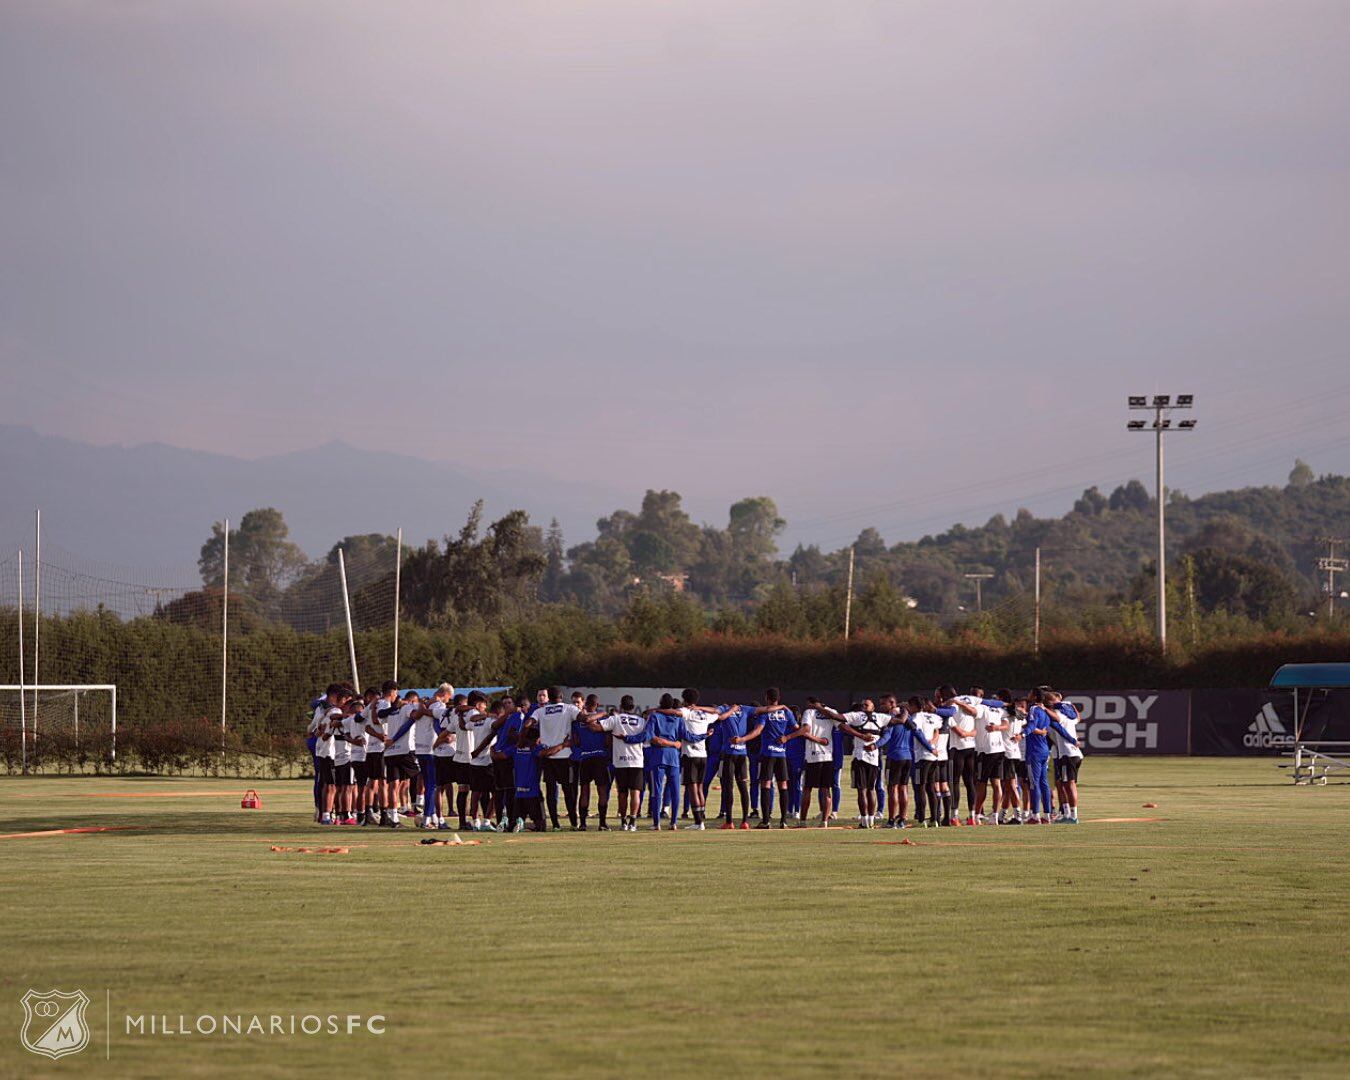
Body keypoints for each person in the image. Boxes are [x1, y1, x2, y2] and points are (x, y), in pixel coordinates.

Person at [820, 701, 885, 829]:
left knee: (865, 789)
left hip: (863, 757)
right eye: (862, 705)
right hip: (870, 757)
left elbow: (840, 720)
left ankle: (867, 820)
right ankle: (868, 821)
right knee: (868, 789)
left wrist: (821, 707)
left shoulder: (860, 719)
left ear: (873, 707)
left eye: (866, 705)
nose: (863, 707)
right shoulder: (879, 719)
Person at [589, 696, 649, 832]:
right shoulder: (641, 721)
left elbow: (596, 728)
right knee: (635, 793)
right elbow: (645, 737)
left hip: (620, 761)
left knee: (622, 793)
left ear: (621, 705)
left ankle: (623, 822)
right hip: (637, 761)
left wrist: (587, 721)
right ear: (633, 707)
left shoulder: (616, 719)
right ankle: (633, 821)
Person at [1023, 690, 1080, 824]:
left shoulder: (1037, 710)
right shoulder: (1050, 715)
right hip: (1047, 752)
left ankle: (1035, 816)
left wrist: (1022, 733)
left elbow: (1032, 726)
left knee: (1035, 783)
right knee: (1047, 783)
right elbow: (1062, 728)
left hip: (1039, 752)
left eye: (1031, 694)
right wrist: (1073, 740)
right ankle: (1048, 815)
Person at [878, 696, 934, 829]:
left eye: (883, 704)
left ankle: (891, 820)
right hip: (908, 757)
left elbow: (887, 736)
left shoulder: (893, 719)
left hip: (894, 757)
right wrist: (931, 748)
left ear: (892, 704)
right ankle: (902, 819)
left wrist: (875, 745)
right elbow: (919, 735)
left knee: (892, 788)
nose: (881, 706)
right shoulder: (909, 720)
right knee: (904, 788)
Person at [746, 689, 798, 829]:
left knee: (765, 785)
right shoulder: (787, 712)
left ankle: (766, 821)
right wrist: (787, 737)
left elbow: (758, 730)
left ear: (766, 698)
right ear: (778, 698)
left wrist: (743, 739)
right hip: (781, 754)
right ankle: (783, 821)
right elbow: (798, 729)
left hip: (768, 753)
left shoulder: (765, 713)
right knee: (783, 786)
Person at [534, 689, 583, 831]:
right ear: (562, 697)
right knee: (568, 791)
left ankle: (555, 824)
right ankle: (574, 822)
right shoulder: (569, 708)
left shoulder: (541, 711)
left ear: (549, 698)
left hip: (548, 756)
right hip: (564, 755)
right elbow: (583, 718)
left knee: (551, 791)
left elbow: (529, 723)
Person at [788, 697, 837, 827]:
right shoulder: (830, 711)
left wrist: (789, 737)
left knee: (807, 789)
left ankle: (803, 821)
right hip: (827, 756)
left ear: (810, 704)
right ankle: (824, 822)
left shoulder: (809, 712)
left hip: (813, 757)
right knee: (826, 790)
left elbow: (805, 730)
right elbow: (842, 725)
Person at [511, 720, 567, 833]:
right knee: (541, 827)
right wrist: (563, 745)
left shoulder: (516, 749)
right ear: (536, 739)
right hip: (533, 793)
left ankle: (521, 825)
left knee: (515, 823)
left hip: (518, 793)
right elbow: (547, 753)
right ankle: (526, 827)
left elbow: (500, 754)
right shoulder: (534, 749)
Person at [411, 684, 453, 830]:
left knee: (429, 784)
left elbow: (417, 717)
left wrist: (423, 708)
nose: (449, 700)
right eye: (449, 697)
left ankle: (435, 817)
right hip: (431, 750)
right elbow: (437, 723)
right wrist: (444, 737)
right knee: (432, 786)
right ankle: (427, 819)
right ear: (445, 694)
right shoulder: (439, 706)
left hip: (420, 748)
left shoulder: (421, 706)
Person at [678, 689, 719, 831]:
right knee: (700, 787)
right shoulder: (704, 714)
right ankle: (700, 820)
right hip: (703, 755)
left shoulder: (686, 712)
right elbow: (717, 712)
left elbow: (674, 713)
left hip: (690, 755)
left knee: (693, 788)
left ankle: (698, 822)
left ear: (684, 700)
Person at [642, 699, 686, 831]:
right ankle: (673, 823)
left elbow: (650, 737)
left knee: (657, 790)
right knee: (675, 791)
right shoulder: (678, 719)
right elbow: (686, 736)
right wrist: (704, 735)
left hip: (658, 757)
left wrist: (663, 741)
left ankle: (657, 824)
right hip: (673, 757)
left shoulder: (654, 716)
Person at [380, 689, 421, 828]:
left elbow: (379, 716)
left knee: (394, 785)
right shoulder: (407, 707)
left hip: (390, 752)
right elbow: (414, 717)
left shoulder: (391, 711)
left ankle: (394, 819)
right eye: (415, 701)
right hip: (404, 750)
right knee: (423, 775)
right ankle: (424, 811)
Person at [573, 693, 613, 831]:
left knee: (584, 791)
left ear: (585, 703)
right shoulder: (604, 719)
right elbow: (608, 741)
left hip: (584, 757)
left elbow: (576, 741)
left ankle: (583, 824)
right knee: (602, 791)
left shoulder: (578, 721)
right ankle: (602, 823)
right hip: (600, 757)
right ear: (597, 704)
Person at [460, 691, 498, 832]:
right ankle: (486, 821)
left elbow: (464, 726)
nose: (483, 706)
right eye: (483, 703)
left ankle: (475, 821)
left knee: (476, 793)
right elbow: (490, 737)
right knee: (495, 793)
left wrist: (459, 716)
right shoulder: (490, 720)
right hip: (487, 761)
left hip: (475, 762)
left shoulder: (475, 721)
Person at [1044, 689, 1084, 823]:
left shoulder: (1060, 714)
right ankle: (1067, 814)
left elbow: (1057, 720)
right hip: (1070, 754)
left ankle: (1073, 816)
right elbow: (1079, 718)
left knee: (1069, 784)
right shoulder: (1071, 716)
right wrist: (1071, 706)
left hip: (1069, 754)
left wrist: (1043, 708)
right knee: (1063, 783)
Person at [309, 685, 345, 825]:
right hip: (329, 752)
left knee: (325, 783)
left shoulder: (324, 710)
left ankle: (325, 813)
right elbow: (316, 731)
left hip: (324, 751)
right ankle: (327, 814)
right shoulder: (332, 710)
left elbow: (315, 730)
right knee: (330, 784)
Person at [716, 702, 755, 829]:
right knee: (742, 786)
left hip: (728, 754)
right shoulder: (745, 709)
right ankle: (744, 821)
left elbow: (717, 714)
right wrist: (782, 707)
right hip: (742, 753)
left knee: (728, 787)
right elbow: (764, 709)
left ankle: (729, 821)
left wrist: (698, 708)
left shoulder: (724, 709)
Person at [1000, 698, 1029, 824]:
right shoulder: (1020, 717)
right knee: (1008, 787)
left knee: (1011, 786)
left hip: (1007, 754)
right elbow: (1024, 718)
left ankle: (1018, 816)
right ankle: (1002, 816)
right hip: (1015, 753)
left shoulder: (1005, 715)